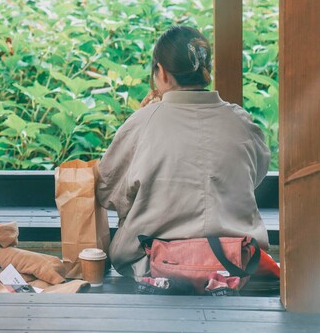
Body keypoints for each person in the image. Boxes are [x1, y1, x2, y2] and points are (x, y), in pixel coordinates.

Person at [97, 25, 270, 280]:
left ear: (162, 73)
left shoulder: (142, 123)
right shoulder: (242, 122)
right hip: (235, 263)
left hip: (151, 264)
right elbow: (256, 174)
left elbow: (108, 192)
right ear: (205, 71)